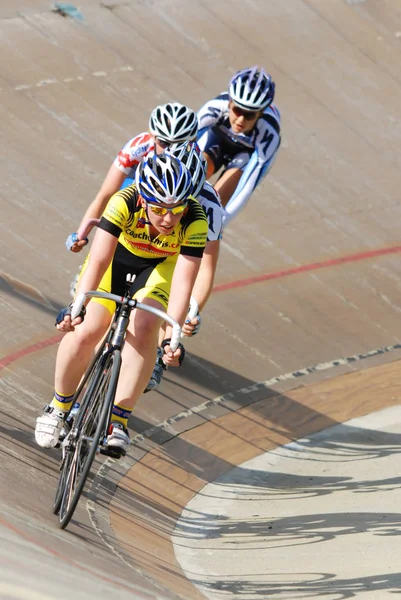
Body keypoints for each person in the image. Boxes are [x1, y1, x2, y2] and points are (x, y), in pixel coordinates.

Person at [35, 153, 208, 455]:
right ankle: (58, 408)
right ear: (143, 201)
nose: (169, 219)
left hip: (158, 270)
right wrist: (78, 307)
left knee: (145, 326)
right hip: (117, 260)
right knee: (88, 329)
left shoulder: (195, 219)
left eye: (176, 210)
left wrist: (171, 337)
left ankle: (117, 421)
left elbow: (183, 282)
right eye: (159, 210)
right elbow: (99, 259)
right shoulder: (124, 201)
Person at [66, 102, 199, 254]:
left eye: (178, 144)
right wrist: (80, 235)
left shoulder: (194, 160)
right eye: (163, 142)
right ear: (152, 136)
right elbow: (106, 195)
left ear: (191, 141)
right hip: (137, 180)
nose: (170, 149)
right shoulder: (139, 146)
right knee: (125, 198)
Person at [146, 140, 223, 392]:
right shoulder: (151, 183)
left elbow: (206, 265)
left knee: (171, 298)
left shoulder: (209, 207)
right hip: (143, 243)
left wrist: (194, 309)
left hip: (179, 250)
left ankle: (158, 353)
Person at [196, 66, 281, 226]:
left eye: (249, 115)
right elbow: (183, 144)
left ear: (260, 113)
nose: (241, 120)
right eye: (237, 110)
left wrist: (221, 222)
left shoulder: (269, 134)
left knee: (214, 203)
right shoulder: (214, 107)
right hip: (217, 141)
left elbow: (247, 186)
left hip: (244, 155)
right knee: (193, 175)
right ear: (229, 103)